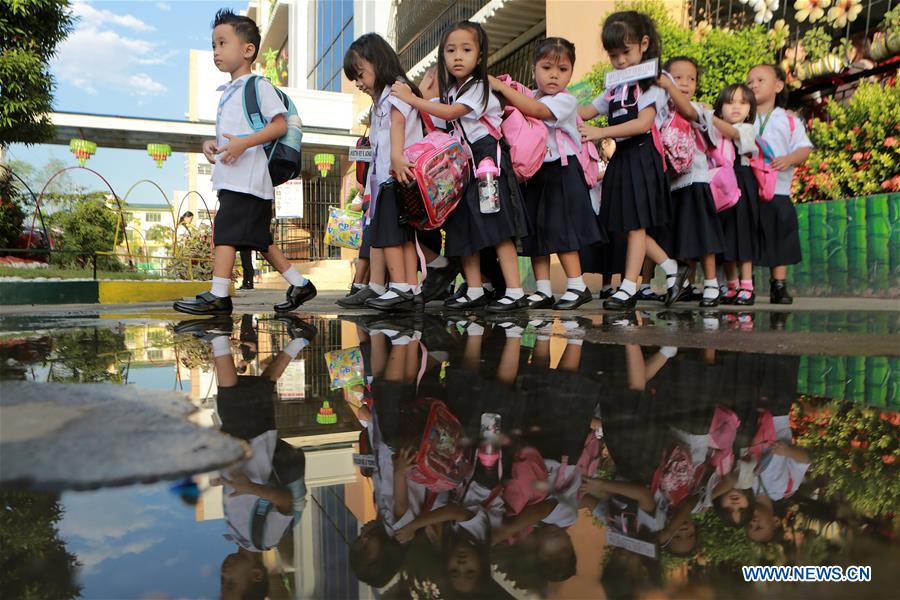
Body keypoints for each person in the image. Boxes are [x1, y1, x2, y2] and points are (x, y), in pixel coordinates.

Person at [174, 9, 316, 317]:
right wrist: (210, 145)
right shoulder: (228, 93)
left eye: (222, 43)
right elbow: (231, 137)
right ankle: (300, 284)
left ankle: (218, 295)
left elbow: (278, 125)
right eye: (213, 45)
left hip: (248, 180)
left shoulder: (258, 86)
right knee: (259, 239)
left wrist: (243, 144)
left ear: (247, 49)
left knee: (225, 232)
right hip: (234, 180)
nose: (215, 52)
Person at [391, 21, 530, 312]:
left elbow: (451, 113)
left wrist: (413, 98)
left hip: (487, 163)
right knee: (463, 226)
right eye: (451, 50)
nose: (457, 56)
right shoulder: (453, 90)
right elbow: (439, 114)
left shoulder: (479, 87)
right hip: (464, 165)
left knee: (497, 226)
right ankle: (475, 288)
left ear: (479, 56)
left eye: (466, 50)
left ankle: (515, 291)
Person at [578, 11, 687, 311]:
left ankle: (629, 287)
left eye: (626, 52)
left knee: (635, 226)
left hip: (642, 154)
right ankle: (674, 268)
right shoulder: (616, 86)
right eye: (614, 55)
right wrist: (551, 107)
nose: (621, 61)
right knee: (626, 226)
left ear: (644, 44)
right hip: (623, 159)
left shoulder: (653, 82)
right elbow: (587, 110)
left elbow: (642, 123)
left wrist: (601, 132)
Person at [489, 37, 605, 310]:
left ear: (571, 73)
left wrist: (502, 86)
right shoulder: (530, 95)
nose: (554, 74)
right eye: (546, 67)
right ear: (533, 70)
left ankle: (577, 285)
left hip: (562, 172)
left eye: (563, 69)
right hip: (535, 173)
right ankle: (542, 289)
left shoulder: (565, 101)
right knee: (536, 233)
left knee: (564, 232)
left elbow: (537, 112)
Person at [342, 33, 426, 311]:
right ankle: (400, 287)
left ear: (378, 62)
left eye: (360, 74)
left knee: (392, 235)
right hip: (386, 179)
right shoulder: (380, 99)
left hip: (397, 174)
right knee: (392, 235)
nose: (358, 83)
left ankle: (401, 286)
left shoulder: (397, 89)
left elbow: (398, 125)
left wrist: (397, 158)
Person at [657, 56, 726, 307]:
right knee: (679, 237)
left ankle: (710, 285)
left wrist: (669, 87)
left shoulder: (698, 109)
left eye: (691, 78)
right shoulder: (661, 111)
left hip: (696, 180)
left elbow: (686, 110)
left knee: (704, 236)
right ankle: (683, 284)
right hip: (672, 183)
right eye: (678, 77)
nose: (685, 83)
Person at [747, 64, 813, 304]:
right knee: (748, 236)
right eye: (750, 81)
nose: (753, 85)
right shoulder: (743, 116)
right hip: (748, 190)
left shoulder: (788, 120)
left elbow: (804, 149)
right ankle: (746, 284)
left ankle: (779, 285)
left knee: (780, 236)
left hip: (779, 190)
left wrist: (789, 160)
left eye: (760, 80)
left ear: (778, 85)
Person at [713, 83, 760, 305]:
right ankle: (732, 286)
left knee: (743, 233)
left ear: (750, 109)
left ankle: (747, 286)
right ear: (720, 108)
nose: (736, 107)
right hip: (722, 184)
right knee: (725, 235)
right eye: (730, 102)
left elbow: (733, 132)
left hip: (741, 180)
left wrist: (708, 117)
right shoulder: (715, 133)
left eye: (742, 102)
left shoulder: (747, 129)